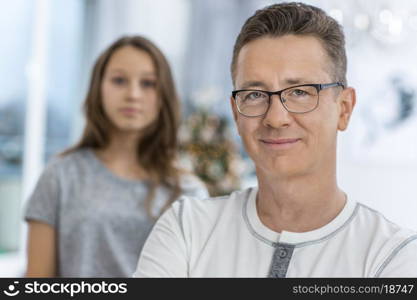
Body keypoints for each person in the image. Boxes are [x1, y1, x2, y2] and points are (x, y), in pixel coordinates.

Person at [133, 3, 417, 277]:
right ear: (236, 112)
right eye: (255, 95)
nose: (276, 118)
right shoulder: (187, 229)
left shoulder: (392, 256)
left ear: (344, 108)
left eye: (300, 92)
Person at [24, 35, 209, 277]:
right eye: (119, 80)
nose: (133, 94)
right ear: (98, 88)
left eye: (148, 83)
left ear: (164, 95)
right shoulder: (61, 176)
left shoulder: (189, 193)